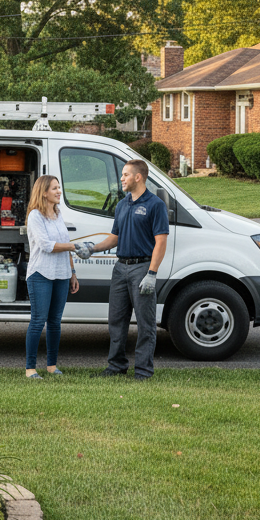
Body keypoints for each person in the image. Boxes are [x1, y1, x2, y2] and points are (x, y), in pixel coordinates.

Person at [76, 158, 169, 380]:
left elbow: (161, 242)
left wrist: (152, 274)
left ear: (138, 177)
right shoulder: (122, 204)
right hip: (120, 269)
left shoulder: (155, 205)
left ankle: (144, 371)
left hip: (142, 268)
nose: (122, 179)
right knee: (116, 320)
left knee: (145, 323)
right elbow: (114, 238)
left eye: (125, 174)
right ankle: (116, 366)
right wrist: (93, 248)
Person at [23, 174, 81, 379]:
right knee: (38, 321)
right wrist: (75, 246)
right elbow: (47, 246)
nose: (59, 191)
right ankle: (30, 368)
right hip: (41, 273)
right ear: (44, 192)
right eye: (55, 188)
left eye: (59, 188)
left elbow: (65, 245)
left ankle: (51, 366)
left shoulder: (58, 214)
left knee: (55, 321)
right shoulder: (35, 216)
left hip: (62, 274)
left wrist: (72, 273)